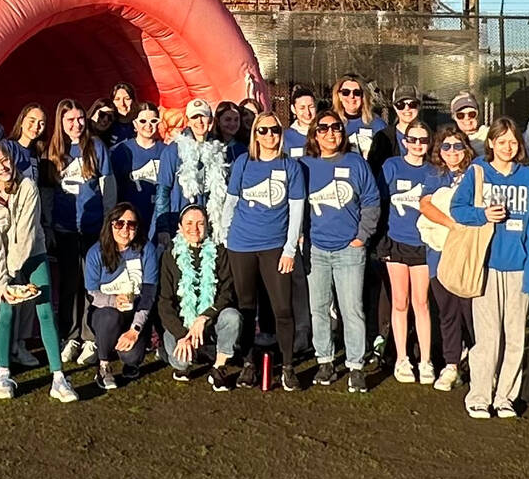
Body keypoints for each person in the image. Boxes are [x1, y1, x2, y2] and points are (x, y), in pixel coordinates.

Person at [0, 143, 76, 402]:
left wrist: (15, 276)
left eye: (5, 161)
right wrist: (2, 283)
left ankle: (58, 378)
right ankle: (4, 374)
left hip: (33, 256)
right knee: (6, 311)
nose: (2, 167)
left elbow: (27, 234)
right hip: (5, 266)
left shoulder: (28, 186)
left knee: (44, 310)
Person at [456, 118, 529, 418]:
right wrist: (482, 215)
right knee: (488, 336)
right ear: (490, 143)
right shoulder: (478, 171)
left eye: (513, 141)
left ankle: (505, 396)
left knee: (515, 336)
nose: (507, 147)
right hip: (487, 265)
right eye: (501, 141)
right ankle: (479, 394)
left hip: (518, 267)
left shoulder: (528, 176)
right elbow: (458, 208)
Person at [227, 112, 308, 390]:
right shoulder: (243, 162)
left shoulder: (291, 167)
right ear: (255, 134)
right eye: (263, 131)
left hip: (275, 246)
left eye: (274, 130)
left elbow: (297, 209)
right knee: (246, 308)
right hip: (241, 245)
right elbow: (230, 203)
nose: (269, 135)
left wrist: (289, 249)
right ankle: (248, 365)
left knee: (283, 308)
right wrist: (225, 238)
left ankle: (287, 367)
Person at [301, 114, 381, 392]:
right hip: (316, 250)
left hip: (349, 249)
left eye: (336, 128)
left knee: (352, 309)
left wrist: (361, 237)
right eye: (323, 129)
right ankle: (324, 360)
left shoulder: (356, 162)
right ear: (315, 134)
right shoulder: (305, 165)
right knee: (319, 309)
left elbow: (371, 201)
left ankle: (356, 366)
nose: (330, 133)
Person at [45, 99, 115, 366]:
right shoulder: (53, 151)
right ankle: (70, 335)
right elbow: (48, 193)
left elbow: (108, 186)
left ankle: (89, 337)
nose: (76, 125)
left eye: (80, 119)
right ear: (61, 123)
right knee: (68, 284)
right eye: (70, 120)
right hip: (64, 228)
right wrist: (48, 224)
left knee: (90, 283)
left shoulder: (96, 146)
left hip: (93, 227)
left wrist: (108, 221)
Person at [423, 123, 484, 392]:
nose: (452, 151)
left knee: (472, 312)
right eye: (446, 146)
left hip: (469, 255)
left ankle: (480, 361)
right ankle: (451, 365)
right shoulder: (435, 175)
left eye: (458, 145)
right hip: (440, 253)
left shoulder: (477, 173)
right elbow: (425, 205)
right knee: (447, 312)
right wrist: (451, 225)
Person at [378, 122, 440, 384]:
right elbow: (378, 201)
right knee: (400, 301)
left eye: (422, 140)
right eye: (412, 140)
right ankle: (402, 358)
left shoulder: (434, 171)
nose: (417, 145)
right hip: (396, 242)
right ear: (404, 141)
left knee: (422, 302)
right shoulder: (391, 166)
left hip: (423, 244)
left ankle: (425, 360)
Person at [155, 205, 240, 388]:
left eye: (200, 223)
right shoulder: (170, 256)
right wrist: (182, 335)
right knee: (181, 361)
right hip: (182, 325)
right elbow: (164, 302)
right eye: (189, 223)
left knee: (232, 317)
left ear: (207, 226)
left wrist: (205, 317)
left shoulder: (218, 252)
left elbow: (227, 292)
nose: (194, 228)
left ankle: (218, 367)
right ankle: (174, 356)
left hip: (210, 323)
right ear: (179, 227)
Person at [84, 203, 157, 389]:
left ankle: (128, 359)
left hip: (135, 314)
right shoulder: (95, 252)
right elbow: (91, 293)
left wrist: (135, 329)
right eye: (119, 223)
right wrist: (114, 300)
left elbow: (149, 294)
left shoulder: (147, 250)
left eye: (131, 224)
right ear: (110, 224)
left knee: (132, 356)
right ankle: (103, 365)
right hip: (104, 313)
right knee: (109, 315)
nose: (125, 229)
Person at [156, 99, 235, 249]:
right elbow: (163, 191)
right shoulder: (173, 151)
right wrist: (163, 228)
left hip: (209, 226)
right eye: (194, 117)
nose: (199, 121)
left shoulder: (218, 150)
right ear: (187, 121)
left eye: (203, 116)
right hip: (179, 224)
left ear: (211, 120)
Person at [111, 102, 168, 238]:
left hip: (158, 218)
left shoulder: (167, 151)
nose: (148, 125)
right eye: (143, 121)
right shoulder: (122, 150)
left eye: (153, 121)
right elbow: (113, 189)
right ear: (135, 124)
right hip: (129, 222)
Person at [331, 74, 387, 161]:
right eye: (346, 92)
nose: (351, 96)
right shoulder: (329, 122)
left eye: (357, 93)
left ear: (363, 96)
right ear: (339, 96)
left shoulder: (377, 124)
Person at [7, 103, 47, 179]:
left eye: (41, 123)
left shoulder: (37, 155)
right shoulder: (8, 147)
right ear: (21, 121)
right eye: (32, 121)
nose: (36, 126)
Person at [448, 92, 489, 159]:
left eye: (472, 114)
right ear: (454, 118)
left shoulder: (491, 135)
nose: (467, 118)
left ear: (478, 115)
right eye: (460, 115)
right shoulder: (449, 140)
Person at [281, 86, 318, 159]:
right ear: (293, 109)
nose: (307, 112)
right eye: (302, 108)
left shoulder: (325, 133)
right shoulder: (285, 137)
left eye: (311, 107)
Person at [388, 87, 425, 154]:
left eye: (412, 104)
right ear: (395, 107)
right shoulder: (384, 137)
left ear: (419, 106)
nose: (407, 108)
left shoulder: (429, 138)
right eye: (400, 105)